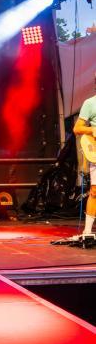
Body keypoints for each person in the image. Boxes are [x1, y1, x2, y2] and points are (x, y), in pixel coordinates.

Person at [73, 73, 96, 235]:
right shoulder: (90, 103)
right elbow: (77, 128)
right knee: (95, 191)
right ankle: (87, 231)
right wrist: (93, 130)